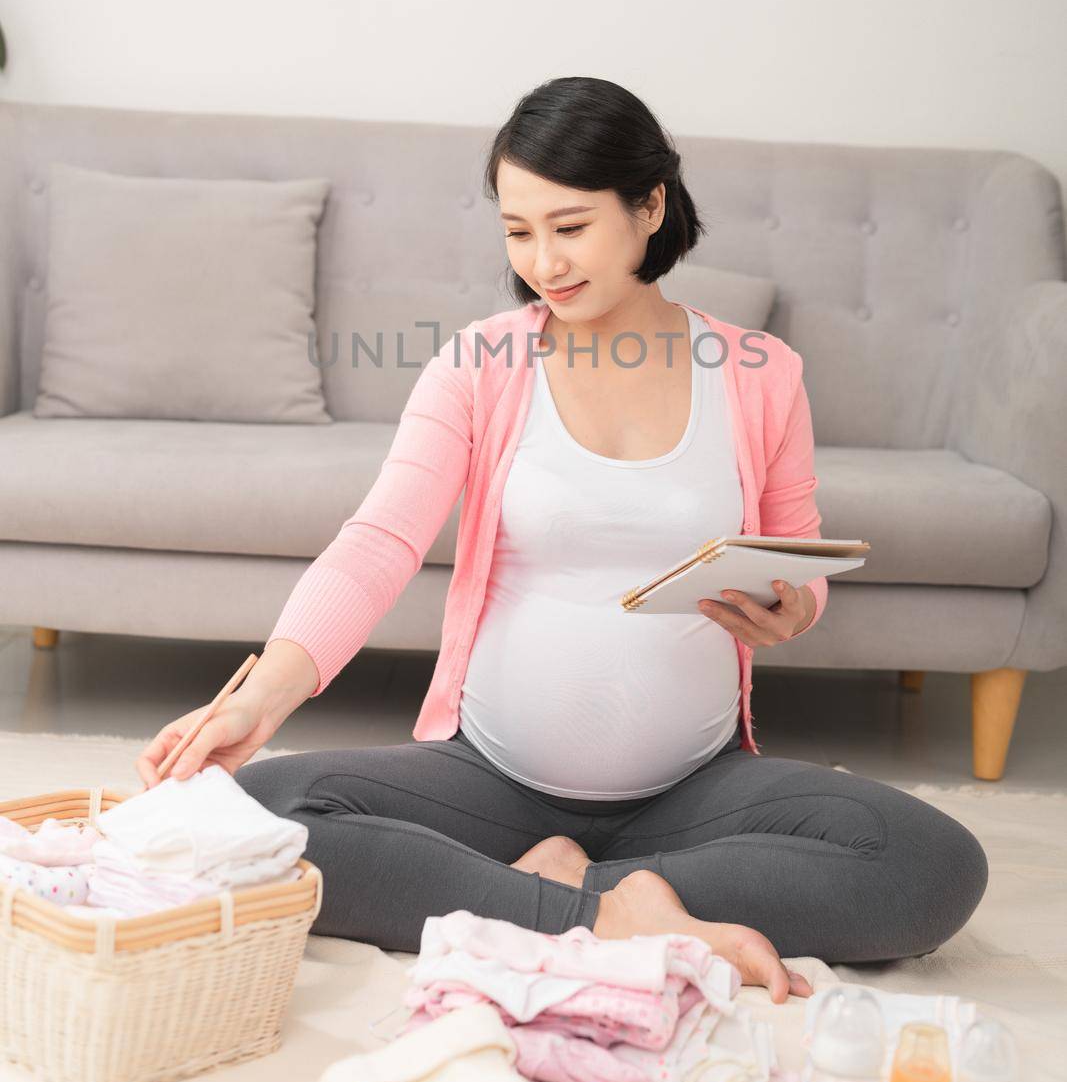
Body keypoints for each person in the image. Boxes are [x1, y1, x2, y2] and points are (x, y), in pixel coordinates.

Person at [137, 76, 989, 1005]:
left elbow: (798, 548)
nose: (544, 260)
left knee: (928, 868)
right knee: (231, 820)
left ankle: (568, 891)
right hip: (489, 781)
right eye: (518, 230)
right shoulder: (479, 362)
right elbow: (377, 540)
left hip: (692, 796)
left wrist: (792, 609)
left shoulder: (757, 373)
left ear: (649, 205)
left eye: (571, 226)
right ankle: (610, 915)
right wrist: (259, 702)